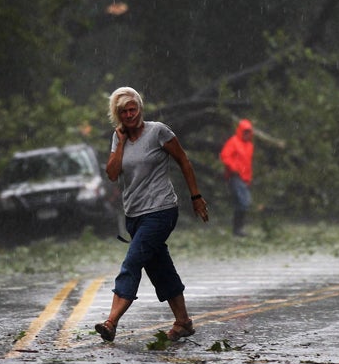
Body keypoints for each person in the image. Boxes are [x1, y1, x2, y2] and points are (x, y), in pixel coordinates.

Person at [95, 87, 208, 343]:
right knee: (159, 267)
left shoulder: (158, 131)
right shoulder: (118, 138)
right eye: (123, 111)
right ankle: (183, 322)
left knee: (132, 262)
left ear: (140, 108)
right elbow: (112, 174)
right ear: (118, 115)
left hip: (161, 210)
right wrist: (121, 142)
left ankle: (111, 322)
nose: (129, 114)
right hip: (134, 214)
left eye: (132, 108)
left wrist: (196, 197)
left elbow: (183, 160)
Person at [220, 119, 254, 236]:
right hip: (235, 176)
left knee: (243, 203)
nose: (247, 134)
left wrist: (248, 179)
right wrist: (234, 168)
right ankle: (238, 229)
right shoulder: (233, 142)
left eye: (249, 132)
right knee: (243, 202)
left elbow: (248, 164)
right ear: (240, 131)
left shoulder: (249, 145)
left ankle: (237, 229)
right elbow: (225, 156)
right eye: (245, 132)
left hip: (244, 178)